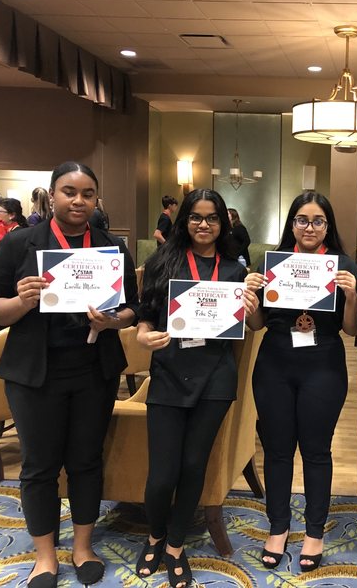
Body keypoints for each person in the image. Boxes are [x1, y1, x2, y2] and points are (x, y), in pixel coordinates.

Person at [0, 162, 139, 588]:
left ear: (95, 199)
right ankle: (45, 556)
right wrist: (21, 303)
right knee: (39, 466)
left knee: (86, 461)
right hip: (35, 374)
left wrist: (113, 321)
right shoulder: (20, 244)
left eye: (88, 193)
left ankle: (83, 547)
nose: (78, 201)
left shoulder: (110, 248)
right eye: (69, 192)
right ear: (52, 195)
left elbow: (133, 308)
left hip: (93, 370)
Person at [136, 189, 260, 588]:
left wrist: (254, 310)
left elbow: (253, 328)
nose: (203, 225)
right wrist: (142, 335)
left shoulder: (234, 271)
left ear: (223, 223)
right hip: (170, 373)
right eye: (195, 217)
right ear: (184, 219)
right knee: (162, 473)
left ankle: (174, 545)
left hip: (215, 378)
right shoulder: (161, 262)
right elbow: (145, 317)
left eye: (211, 218)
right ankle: (155, 534)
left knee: (193, 467)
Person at [245, 191, 357, 573]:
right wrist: (250, 299)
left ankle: (314, 531)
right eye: (302, 219)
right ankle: (278, 527)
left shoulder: (342, 264)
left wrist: (351, 297)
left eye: (318, 221)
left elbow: (349, 329)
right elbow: (258, 324)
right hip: (275, 362)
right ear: (291, 223)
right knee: (277, 450)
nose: (309, 227)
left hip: (323, 364)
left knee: (316, 451)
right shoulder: (272, 263)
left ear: (328, 226)